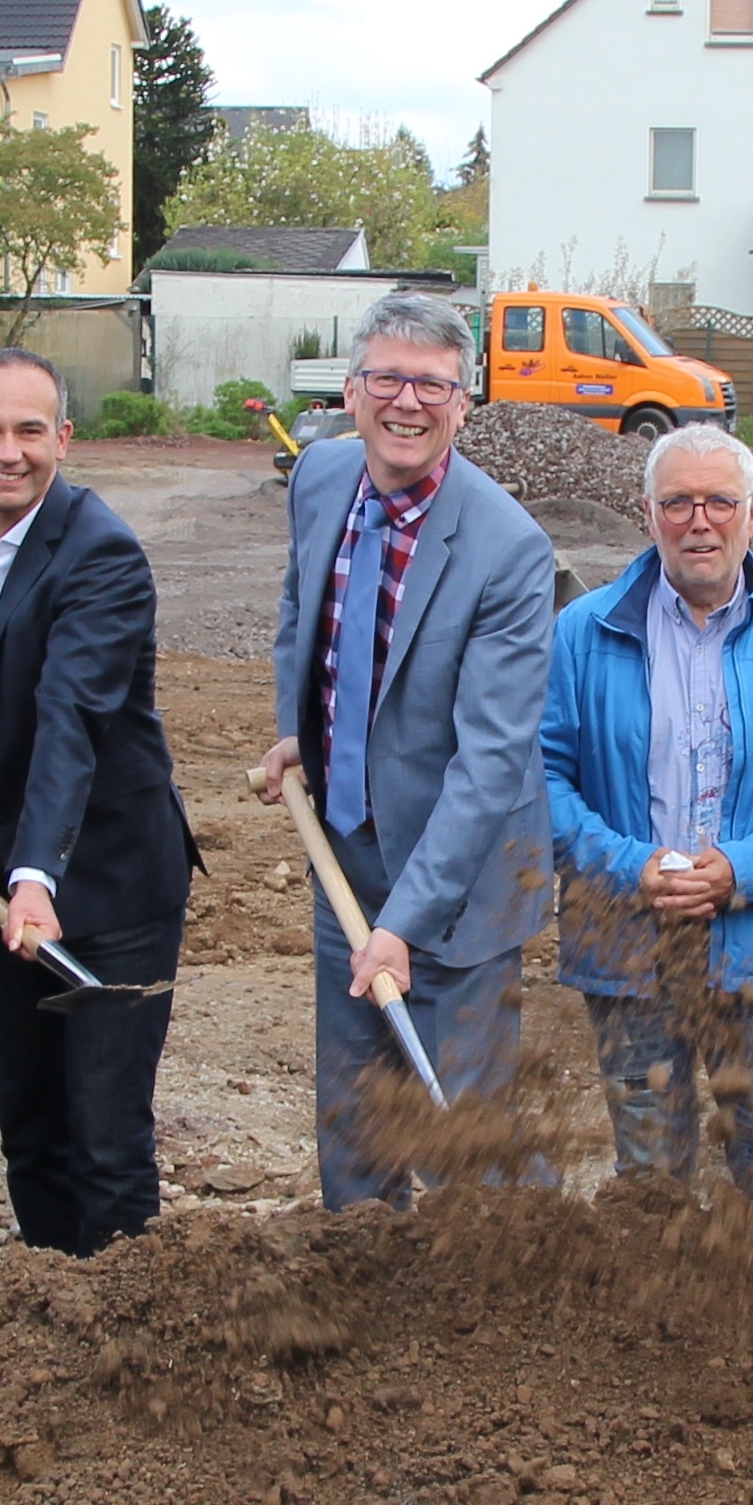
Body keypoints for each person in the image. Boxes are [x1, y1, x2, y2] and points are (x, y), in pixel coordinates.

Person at [255, 294, 555, 1206]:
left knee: (461, 1122)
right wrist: (296, 733)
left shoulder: (508, 550)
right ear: (351, 392)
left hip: (460, 880)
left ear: (464, 405)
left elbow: (490, 762)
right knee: (356, 1117)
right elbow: (301, 613)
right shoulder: (320, 477)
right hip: (346, 850)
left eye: (432, 385)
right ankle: (365, 1289)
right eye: (387, 378)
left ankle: (493, 1303)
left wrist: (402, 927)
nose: (407, 403)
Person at [542, 423, 753, 1205]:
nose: (700, 521)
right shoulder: (583, 633)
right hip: (631, 947)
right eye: (678, 503)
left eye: (720, 502)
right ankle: (666, 1319)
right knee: (651, 1186)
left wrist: (742, 871)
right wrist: (629, 866)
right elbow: (542, 782)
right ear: (647, 512)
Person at [0, 345, 198, 1254]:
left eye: (30, 430)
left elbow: (68, 717)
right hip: (7, 885)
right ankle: (48, 1325)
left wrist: (38, 872)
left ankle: (122, 1341)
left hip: (110, 883)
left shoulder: (101, 550)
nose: (9, 451)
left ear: (63, 439)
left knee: (105, 1137)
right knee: (29, 1124)